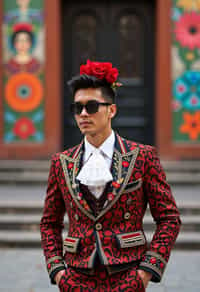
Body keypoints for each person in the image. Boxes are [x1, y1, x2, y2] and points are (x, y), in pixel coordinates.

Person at [40, 60, 181, 291]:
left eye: (92, 106)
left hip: (128, 275)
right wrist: (58, 273)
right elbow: (49, 223)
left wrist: (146, 273)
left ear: (111, 110)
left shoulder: (143, 157)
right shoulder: (61, 162)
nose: (83, 114)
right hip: (76, 279)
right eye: (77, 108)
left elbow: (169, 219)